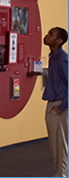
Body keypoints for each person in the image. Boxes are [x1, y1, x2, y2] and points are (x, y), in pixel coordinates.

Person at [42, 27, 68, 177]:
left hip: (60, 106)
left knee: (60, 148)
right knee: (55, 147)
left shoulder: (62, 60)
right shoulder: (53, 57)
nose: (46, 36)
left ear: (59, 41)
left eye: (51, 35)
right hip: (53, 104)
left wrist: (63, 106)